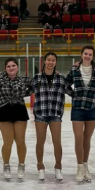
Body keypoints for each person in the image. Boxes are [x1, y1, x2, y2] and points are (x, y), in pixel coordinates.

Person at [0, 59, 33, 180]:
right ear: (5, 68)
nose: (11, 68)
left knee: (20, 141)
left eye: (13, 65)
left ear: (17, 67)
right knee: (8, 141)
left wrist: (24, 94)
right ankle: (6, 165)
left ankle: (21, 165)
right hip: (3, 111)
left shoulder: (23, 79)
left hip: (19, 110)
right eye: (8, 66)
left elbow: (36, 85)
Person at [31, 52, 72, 182]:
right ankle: (40, 167)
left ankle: (58, 167)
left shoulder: (61, 78)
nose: (50, 62)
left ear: (56, 62)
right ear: (44, 61)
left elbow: (71, 92)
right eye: (48, 60)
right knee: (40, 142)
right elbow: (27, 91)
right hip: (41, 114)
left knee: (57, 142)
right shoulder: (36, 78)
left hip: (55, 114)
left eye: (53, 60)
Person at [65, 46, 95, 183]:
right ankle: (80, 166)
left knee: (87, 139)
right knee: (78, 138)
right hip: (78, 107)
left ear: (93, 56)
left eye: (90, 54)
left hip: (92, 107)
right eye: (85, 53)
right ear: (81, 55)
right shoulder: (74, 69)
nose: (87, 56)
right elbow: (65, 84)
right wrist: (73, 94)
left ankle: (85, 165)